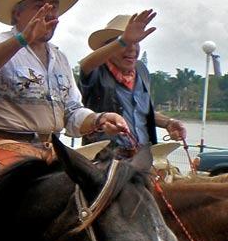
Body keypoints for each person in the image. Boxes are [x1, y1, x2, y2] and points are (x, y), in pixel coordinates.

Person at [0, 0, 130, 173]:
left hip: (51, 152)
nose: (49, 12)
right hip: (5, 149)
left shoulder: (60, 58)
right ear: (18, 14)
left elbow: (71, 113)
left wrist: (100, 119)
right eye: (39, 5)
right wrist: (21, 39)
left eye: (54, 6)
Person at [79, 11, 186, 155]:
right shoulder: (95, 70)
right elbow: (85, 65)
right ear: (109, 47)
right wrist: (123, 41)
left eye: (136, 42)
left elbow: (144, 111)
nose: (132, 49)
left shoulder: (141, 70)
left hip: (143, 157)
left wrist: (168, 122)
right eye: (126, 43)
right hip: (106, 160)